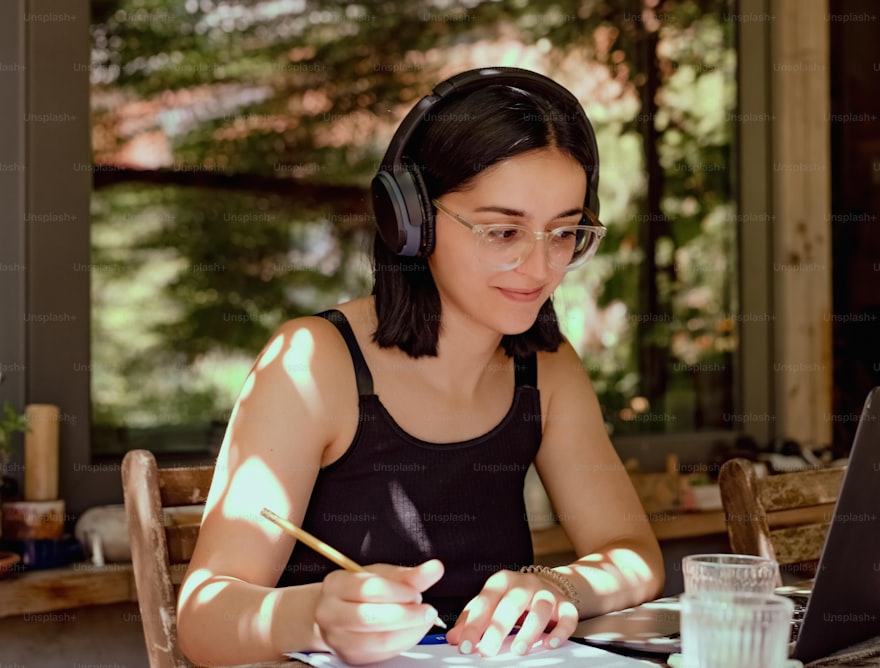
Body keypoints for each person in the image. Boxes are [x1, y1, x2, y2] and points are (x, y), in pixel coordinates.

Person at [177, 66, 665, 666]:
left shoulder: (547, 369)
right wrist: (314, 617)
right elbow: (202, 620)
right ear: (412, 221)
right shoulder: (312, 365)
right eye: (503, 230)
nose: (541, 268)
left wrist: (561, 586)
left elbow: (633, 554)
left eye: (563, 233)